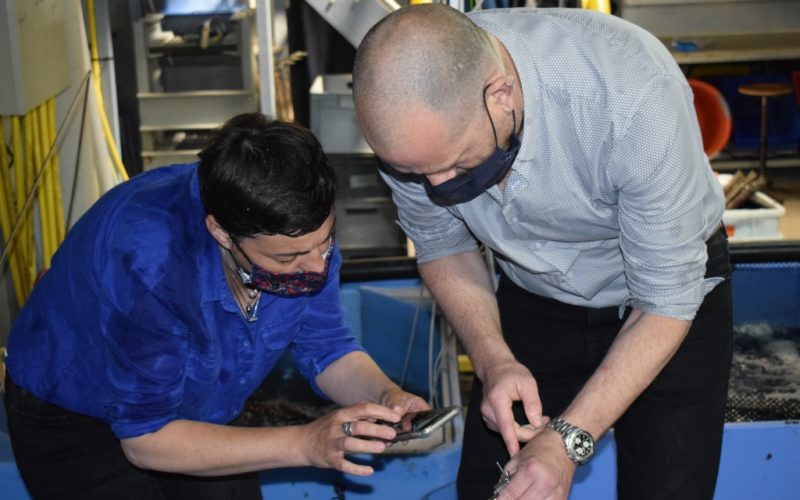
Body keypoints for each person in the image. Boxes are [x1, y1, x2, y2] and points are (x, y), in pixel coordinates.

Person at [352, 5, 732, 500]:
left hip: (665, 308)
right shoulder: (411, 140)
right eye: (417, 173)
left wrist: (566, 443)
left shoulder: (632, 92)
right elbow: (445, 247)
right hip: (532, 297)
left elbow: (665, 299)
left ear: (501, 93)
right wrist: (494, 363)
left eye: (459, 161)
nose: (440, 188)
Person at [2, 113, 428, 499]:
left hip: (191, 411)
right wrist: (305, 443)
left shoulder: (299, 231)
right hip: (75, 411)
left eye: (325, 242)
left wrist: (385, 394)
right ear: (222, 233)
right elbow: (146, 439)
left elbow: (327, 346)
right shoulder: (149, 263)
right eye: (287, 259)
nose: (317, 267)